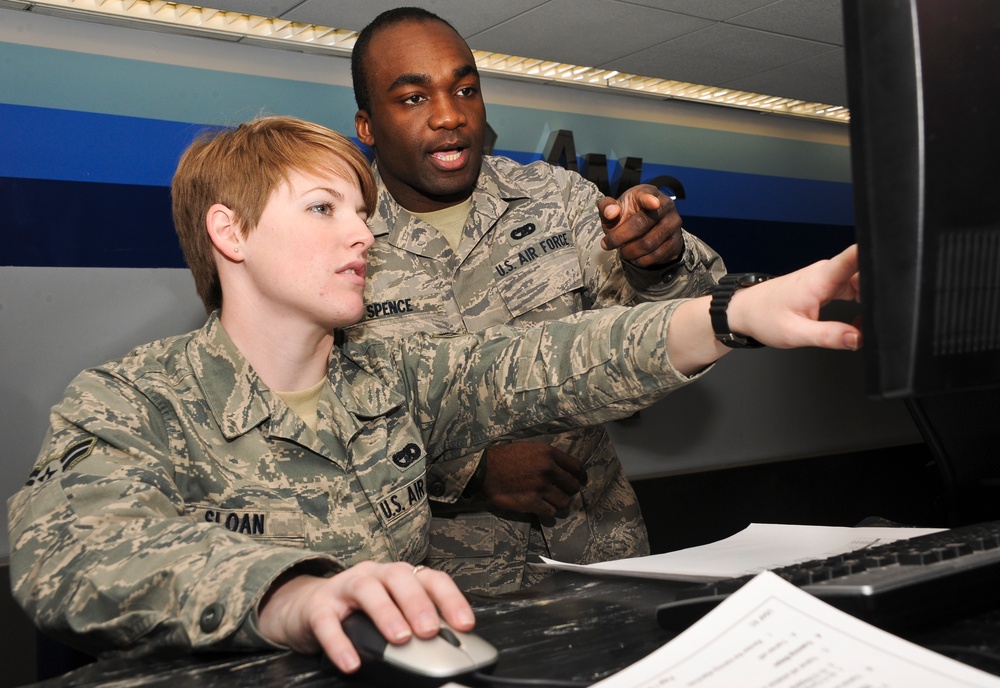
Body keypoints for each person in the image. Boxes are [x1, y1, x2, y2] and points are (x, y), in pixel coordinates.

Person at [8, 115, 861, 676]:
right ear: (228, 232)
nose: (361, 233)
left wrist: (733, 312)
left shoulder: (391, 378)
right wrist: (293, 593)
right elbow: (68, 555)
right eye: (322, 208)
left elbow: (553, 358)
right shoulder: (134, 399)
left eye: (363, 209)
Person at [346, 7, 727, 594]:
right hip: (437, 587)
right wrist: (467, 473)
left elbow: (686, 320)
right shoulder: (337, 236)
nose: (450, 115)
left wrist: (660, 260)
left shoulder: (555, 198)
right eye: (414, 98)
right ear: (367, 125)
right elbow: (310, 418)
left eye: (465, 89)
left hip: (598, 555)